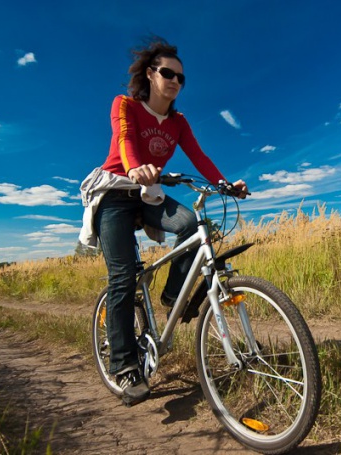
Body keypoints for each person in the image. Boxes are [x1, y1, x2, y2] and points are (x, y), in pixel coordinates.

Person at [80, 38, 248, 406]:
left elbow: (199, 156)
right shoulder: (124, 104)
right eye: (167, 73)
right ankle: (125, 366)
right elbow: (124, 139)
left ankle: (172, 296)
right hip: (116, 194)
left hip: (149, 193)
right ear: (149, 74)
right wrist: (135, 166)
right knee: (123, 276)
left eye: (181, 78)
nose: (174, 81)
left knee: (190, 223)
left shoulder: (179, 122)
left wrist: (225, 185)